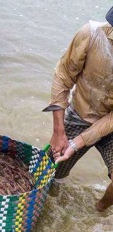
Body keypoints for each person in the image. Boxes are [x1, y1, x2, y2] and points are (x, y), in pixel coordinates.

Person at [43, 6, 113, 212]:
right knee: (51, 172)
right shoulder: (91, 35)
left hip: (110, 124)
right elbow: (63, 77)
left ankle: (98, 210)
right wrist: (59, 132)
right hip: (80, 114)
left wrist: (78, 143)